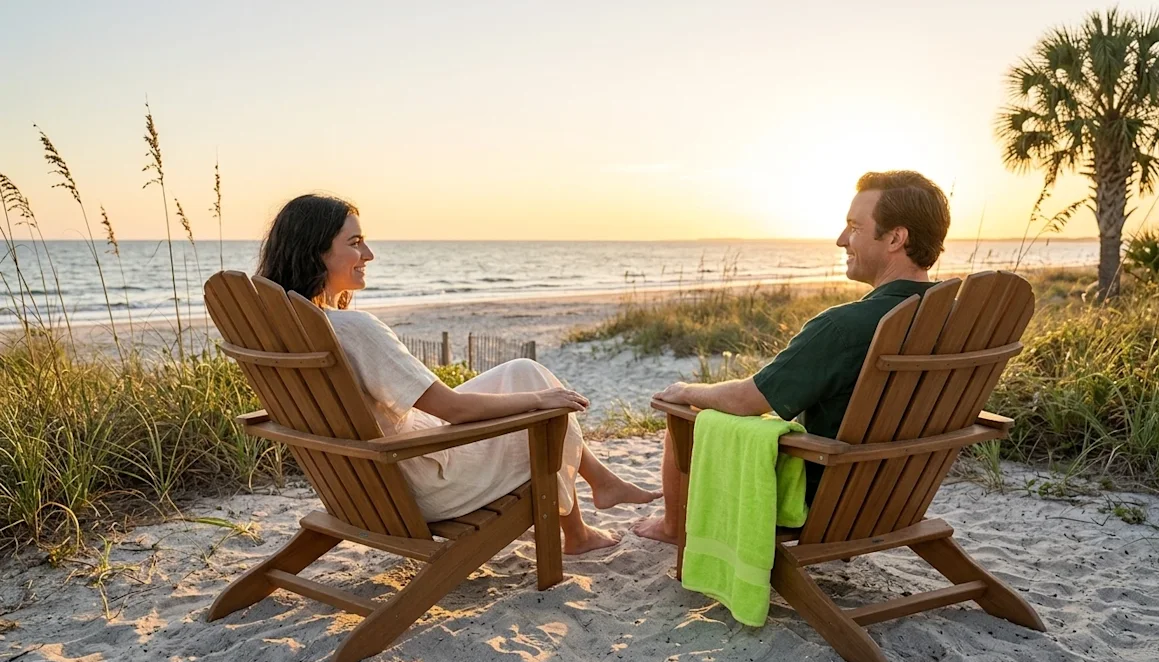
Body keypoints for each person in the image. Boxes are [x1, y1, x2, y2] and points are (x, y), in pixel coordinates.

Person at [257, 194, 660, 554]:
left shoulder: (282, 331)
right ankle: (581, 528)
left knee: (523, 370)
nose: (370, 255)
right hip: (424, 482)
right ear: (315, 253)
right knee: (543, 402)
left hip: (365, 482)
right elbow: (453, 409)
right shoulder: (354, 330)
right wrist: (541, 402)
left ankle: (595, 494)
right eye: (355, 243)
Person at [633, 170, 952, 544]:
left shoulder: (845, 327)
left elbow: (747, 400)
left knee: (686, 417)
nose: (841, 240)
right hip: (899, 498)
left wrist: (687, 390)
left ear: (896, 238)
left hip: (823, 497)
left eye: (854, 227)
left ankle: (673, 527)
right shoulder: (955, 319)